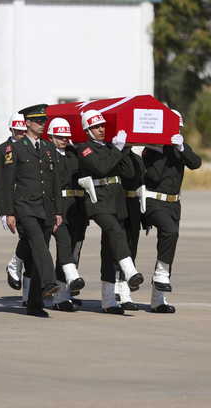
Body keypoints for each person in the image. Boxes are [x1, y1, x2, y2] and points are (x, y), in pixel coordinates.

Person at [77, 109, 144, 314]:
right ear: (87, 129)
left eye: (102, 126)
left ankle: (108, 300)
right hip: (99, 203)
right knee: (115, 231)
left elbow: (130, 173)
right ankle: (130, 271)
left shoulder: (110, 147)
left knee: (109, 250)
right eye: (96, 127)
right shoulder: (85, 150)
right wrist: (116, 150)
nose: (101, 129)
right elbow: (102, 168)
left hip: (116, 202)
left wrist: (124, 151)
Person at [2, 103, 63, 317]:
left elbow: (56, 183)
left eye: (44, 121)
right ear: (27, 123)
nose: (42, 124)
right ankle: (49, 283)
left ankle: (35, 304)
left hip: (45, 208)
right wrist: (9, 213)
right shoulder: (15, 149)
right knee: (38, 243)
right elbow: (8, 184)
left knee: (40, 251)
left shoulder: (49, 148)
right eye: (38, 121)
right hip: (25, 207)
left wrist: (58, 211)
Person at [141, 109, 202, 313]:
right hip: (154, 201)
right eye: (172, 127)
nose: (175, 131)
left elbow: (196, 163)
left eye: (178, 128)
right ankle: (158, 276)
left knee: (168, 246)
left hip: (174, 204)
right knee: (171, 231)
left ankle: (158, 300)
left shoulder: (179, 148)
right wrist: (161, 150)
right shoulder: (150, 149)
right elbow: (154, 177)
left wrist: (181, 147)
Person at [47, 117, 87, 312]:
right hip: (58, 206)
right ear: (51, 136)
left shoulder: (74, 153)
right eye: (60, 136)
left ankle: (67, 292)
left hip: (77, 207)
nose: (64, 140)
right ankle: (59, 297)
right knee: (64, 249)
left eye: (66, 136)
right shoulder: (46, 154)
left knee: (74, 249)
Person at [0, 112, 30, 294]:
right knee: (28, 238)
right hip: (13, 204)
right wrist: (4, 212)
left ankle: (28, 294)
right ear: (11, 129)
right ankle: (15, 267)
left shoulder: (33, 147)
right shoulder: (0, 151)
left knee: (34, 243)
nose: (23, 134)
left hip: (32, 201)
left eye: (25, 130)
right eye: (19, 131)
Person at [112, 148, 146, 311]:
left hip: (133, 207)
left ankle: (124, 292)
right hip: (117, 205)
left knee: (131, 250)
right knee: (116, 250)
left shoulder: (136, 158)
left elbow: (140, 181)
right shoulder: (114, 154)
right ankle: (114, 290)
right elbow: (128, 173)